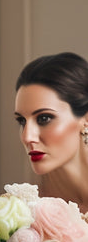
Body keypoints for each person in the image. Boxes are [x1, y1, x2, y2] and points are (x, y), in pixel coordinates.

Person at [14, 51, 88, 213]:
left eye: (44, 118)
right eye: (22, 121)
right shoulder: (21, 214)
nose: (27, 137)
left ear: (85, 119)